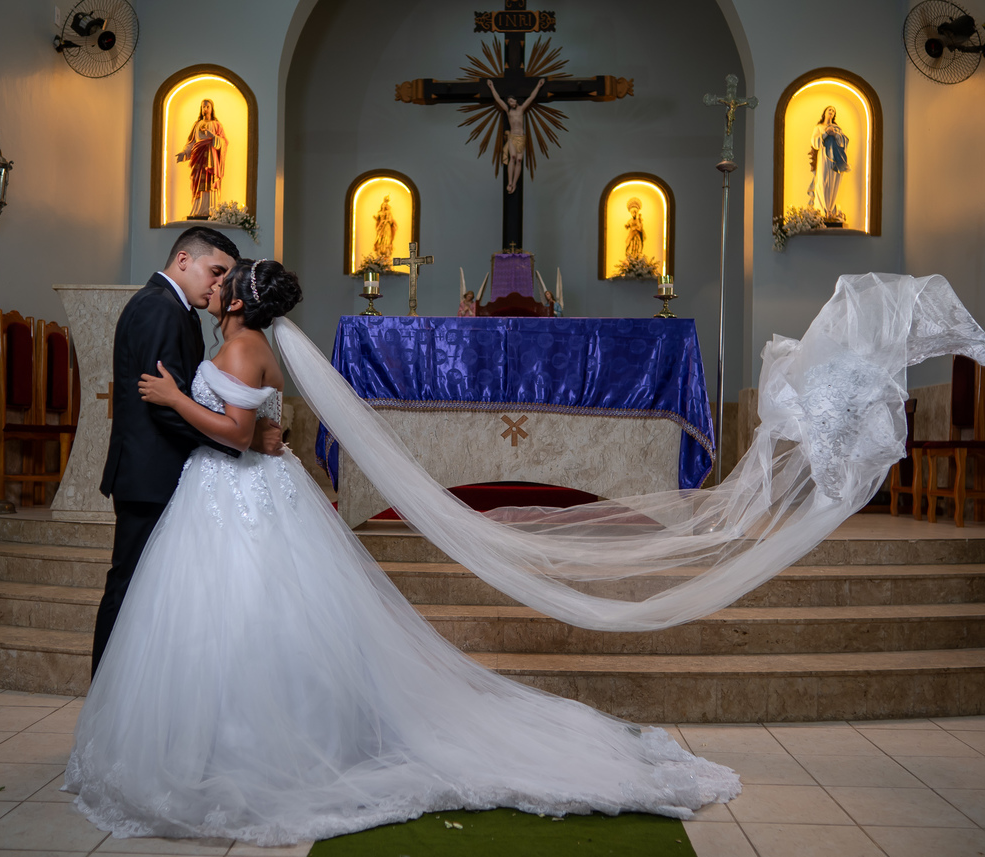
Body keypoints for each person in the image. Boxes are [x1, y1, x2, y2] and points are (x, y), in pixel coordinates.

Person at [65, 257, 743, 845]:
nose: (214, 285)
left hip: (236, 493)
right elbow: (257, 425)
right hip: (225, 494)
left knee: (249, 612)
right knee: (229, 616)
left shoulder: (242, 349)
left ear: (239, 300)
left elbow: (239, 433)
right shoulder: (243, 342)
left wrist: (174, 397)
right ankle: (221, 736)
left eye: (224, 280)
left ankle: (252, 745)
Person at [93, 227, 282, 677]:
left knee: (157, 595)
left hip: (174, 472)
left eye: (225, 278)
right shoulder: (159, 308)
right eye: (215, 271)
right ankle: (107, 693)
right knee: (129, 588)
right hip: (150, 473)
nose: (218, 284)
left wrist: (242, 430)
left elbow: (191, 399)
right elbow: (161, 405)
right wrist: (242, 438)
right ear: (183, 260)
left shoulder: (181, 311)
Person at [487, 77, 545, 194]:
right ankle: (509, 182)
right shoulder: (508, 111)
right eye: (509, 102)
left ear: (515, 100)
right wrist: (492, 87)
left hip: (521, 137)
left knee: (519, 160)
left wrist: (538, 86)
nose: (510, 103)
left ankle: (514, 184)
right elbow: (498, 99)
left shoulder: (521, 109)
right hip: (512, 136)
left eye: (511, 101)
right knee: (512, 157)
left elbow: (531, 97)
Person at [176, 99, 228, 219]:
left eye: (207, 107)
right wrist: (184, 153)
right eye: (203, 107)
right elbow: (191, 142)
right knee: (198, 181)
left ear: (212, 109)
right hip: (198, 158)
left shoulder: (216, 125)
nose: (205, 109)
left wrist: (213, 136)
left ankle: (212, 211)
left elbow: (224, 142)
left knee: (211, 182)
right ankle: (198, 210)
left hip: (211, 159)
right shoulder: (197, 125)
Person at [807, 106, 849, 223]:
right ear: (824, 112)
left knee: (834, 183)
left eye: (833, 111)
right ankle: (821, 211)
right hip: (824, 159)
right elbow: (815, 142)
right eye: (829, 110)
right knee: (822, 182)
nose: (831, 112)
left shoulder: (837, 128)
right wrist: (826, 133)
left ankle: (830, 210)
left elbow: (844, 142)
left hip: (835, 160)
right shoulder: (819, 127)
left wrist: (835, 134)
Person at [372, 195, 397, 262]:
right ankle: (380, 252)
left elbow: (390, 220)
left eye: (386, 206)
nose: (384, 207)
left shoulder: (389, 212)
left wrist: (386, 221)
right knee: (380, 239)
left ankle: (386, 251)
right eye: (383, 205)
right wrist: (377, 220)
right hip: (381, 227)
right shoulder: (380, 213)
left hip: (387, 227)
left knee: (387, 239)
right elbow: (378, 220)